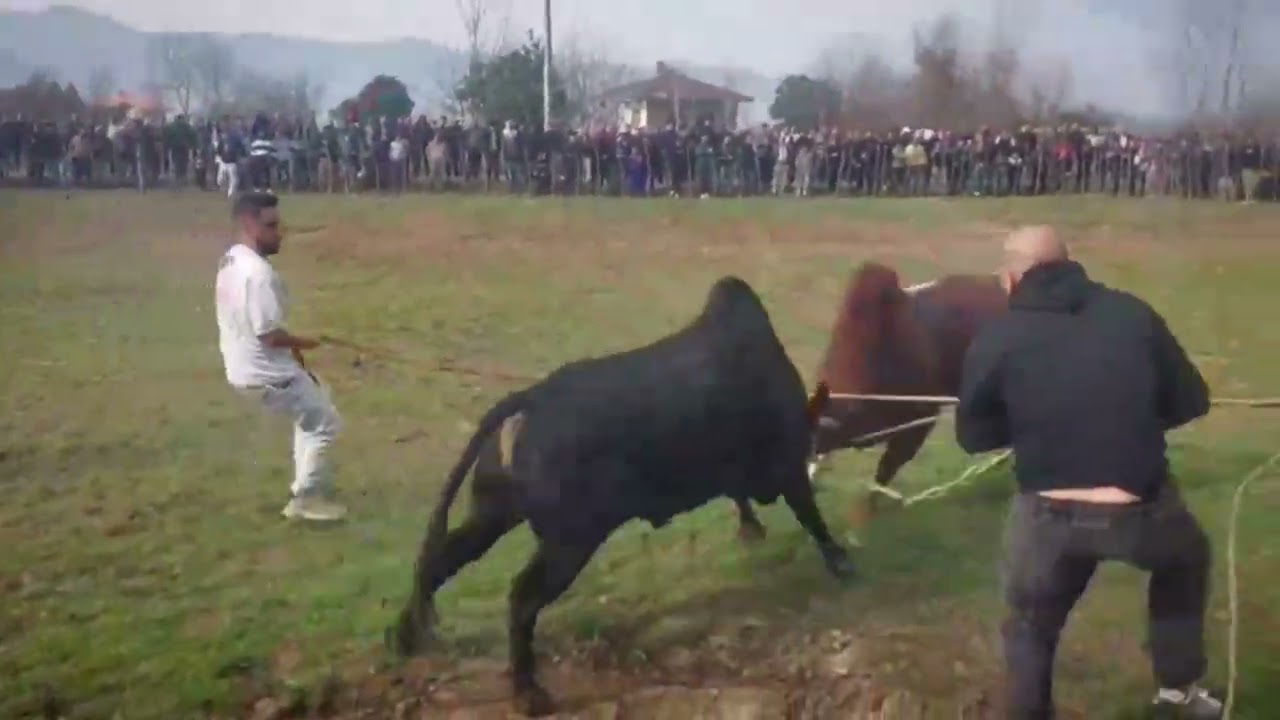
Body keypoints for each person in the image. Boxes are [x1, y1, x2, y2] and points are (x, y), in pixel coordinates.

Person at [955, 226, 1220, 719]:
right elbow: (1191, 400)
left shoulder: (998, 337)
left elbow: (973, 436)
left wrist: (1035, 424)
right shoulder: (1132, 313)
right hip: (1140, 507)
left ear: (1012, 277)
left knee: (1030, 622)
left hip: (1047, 514)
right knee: (1184, 560)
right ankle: (1178, 693)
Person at [215, 192, 346, 522]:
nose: (280, 233)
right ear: (248, 225)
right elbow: (269, 335)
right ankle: (306, 498)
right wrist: (308, 343)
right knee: (324, 422)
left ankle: (304, 488)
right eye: (271, 226)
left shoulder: (231, 259)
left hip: (244, 366)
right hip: (267, 373)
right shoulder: (258, 275)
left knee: (315, 408)